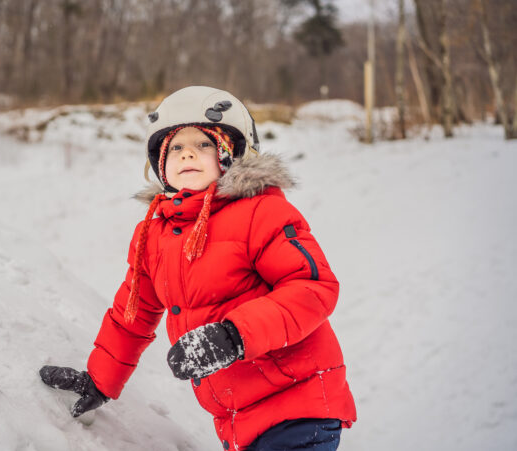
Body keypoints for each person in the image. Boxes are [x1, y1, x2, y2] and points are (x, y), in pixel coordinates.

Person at [39, 86, 356, 450]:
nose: (187, 151)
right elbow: (132, 313)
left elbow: (313, 288)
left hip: (299, 404)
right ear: (160, 164)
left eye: (204, 144)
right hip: (237, 421)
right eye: (175, 146)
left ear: (232, 154)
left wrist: (234, 335)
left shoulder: (261, 211)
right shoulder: (153, 235)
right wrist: (99, 381)